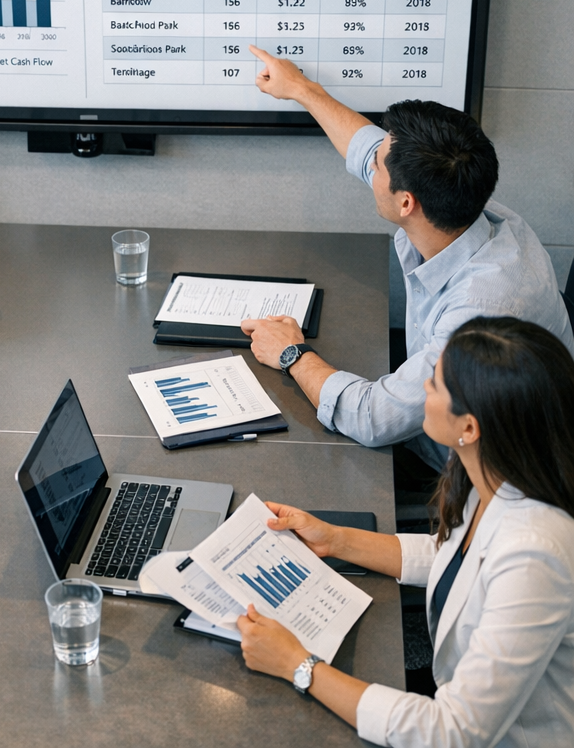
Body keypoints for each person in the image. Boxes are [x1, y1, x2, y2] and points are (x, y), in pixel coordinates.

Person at [236, 316, 574, 747]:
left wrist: (298, 665)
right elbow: (459, 557)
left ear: (469, 427)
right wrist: (335, 539)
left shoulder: (536, 558)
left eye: (434, 384)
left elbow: (451, 733)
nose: (423, 391)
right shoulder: (495, 474)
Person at [240, 45, 573, 468]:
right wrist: (302, 89)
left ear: (406, 204)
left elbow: (373, 418)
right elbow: (364, 148)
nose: (369, 166)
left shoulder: (481, 314)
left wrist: (292, 354)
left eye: (379, 166)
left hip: (475, 475)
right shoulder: (474, 210)